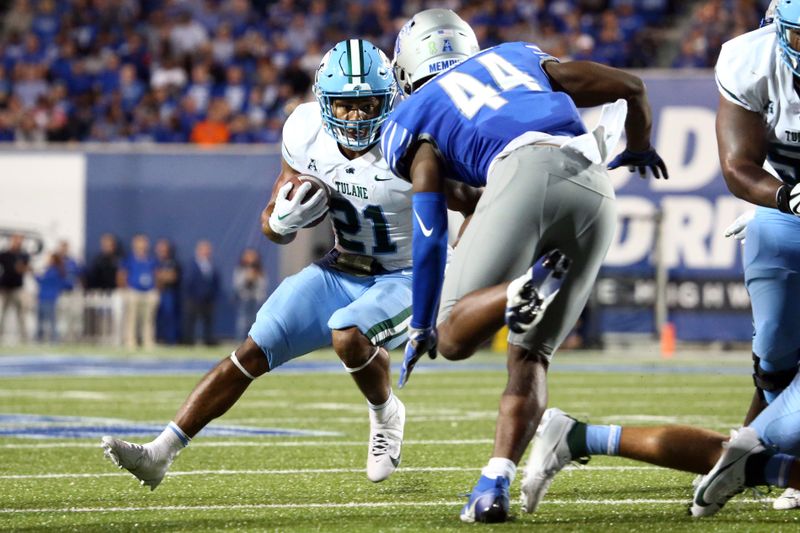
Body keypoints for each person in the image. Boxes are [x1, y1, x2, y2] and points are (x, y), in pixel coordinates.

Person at [101, 39, 479, 490]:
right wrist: (282, 219)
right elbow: (272, 225)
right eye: (344, 104)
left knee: (349, 334)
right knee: (251, 351)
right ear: (323, 101)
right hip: (339, 268)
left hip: (405, 273)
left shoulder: (412, 138)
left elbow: (474, 200)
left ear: (390, 98)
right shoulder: (305, 130)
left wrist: (466, 262)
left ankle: (385, 414)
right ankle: (160, 452)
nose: (356, 117)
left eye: (367, 104)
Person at [382, 9, 666, 523]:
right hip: (595, 188)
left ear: (405, 68)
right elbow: (631, 85)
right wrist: (641, 145)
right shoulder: (515, 57)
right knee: (530, 355)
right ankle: (494, 482)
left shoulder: (412, 117)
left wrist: (422, 322)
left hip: (522, 174)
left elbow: (429, 236)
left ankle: (519, 291)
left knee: (452, 336)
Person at [525, 0, 800, 519]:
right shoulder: (751, 60)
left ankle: (586, 437)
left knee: (771, 437)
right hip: (783, 216)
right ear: (779, 31)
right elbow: (738, 165)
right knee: (775, 367)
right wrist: (787, 198)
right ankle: (759, 460)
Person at [118, 234, 159, 350]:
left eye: (144, 243)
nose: (142, 245)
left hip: (149, 291)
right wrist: (125, 289)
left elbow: (156, 274)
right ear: (134, 244)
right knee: (131, 318)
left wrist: (156, 289)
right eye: (139, 243)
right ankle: (130, 340)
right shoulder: (129, 259)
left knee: (148, 319)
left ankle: (148, 341)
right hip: (133, 291)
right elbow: (122, 274)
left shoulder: (151, 259)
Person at [183, 239, 219, 346]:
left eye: (208, 250)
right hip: (194, 298)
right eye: (204, 250)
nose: (206, 252)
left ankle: (208, 340)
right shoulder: (192, 264)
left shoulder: (211, 265)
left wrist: (213, 294)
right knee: (191, 320)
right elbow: (188, 281)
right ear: (198, 251)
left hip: (208, 298)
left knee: (208, 321)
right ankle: (188, 341)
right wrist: (192, 295)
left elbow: (215, 281)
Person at [0, 233, 31, 342]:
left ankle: (24, 338)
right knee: (3, 313)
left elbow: (26, 268)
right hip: (5, 288)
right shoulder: (5, 254)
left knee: (21, 314)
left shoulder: (24, 254)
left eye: (19, 240)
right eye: (15, 239)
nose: (17, 242)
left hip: (18, 288)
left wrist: (21, 268)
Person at [232, 247, 267, 340]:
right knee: (243, 321)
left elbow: (263, 285)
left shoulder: (260, 270)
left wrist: (255, 279)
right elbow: (237, 285)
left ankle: (254, 342)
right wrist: (247, 280)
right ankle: (240, 341)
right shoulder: (240, 270)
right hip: (244, 299)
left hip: (256, 299)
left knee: (255, 321)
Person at [154, 238, 182, 345]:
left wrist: (159, 276)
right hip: (153, 292)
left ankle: (170, 340)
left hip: (168, 292)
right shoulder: (153, 261)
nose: (162, 251)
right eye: (160, 249)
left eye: (164, 249)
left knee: (169, 315)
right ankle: (156, 338)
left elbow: (172, 277)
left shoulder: (172, 262)